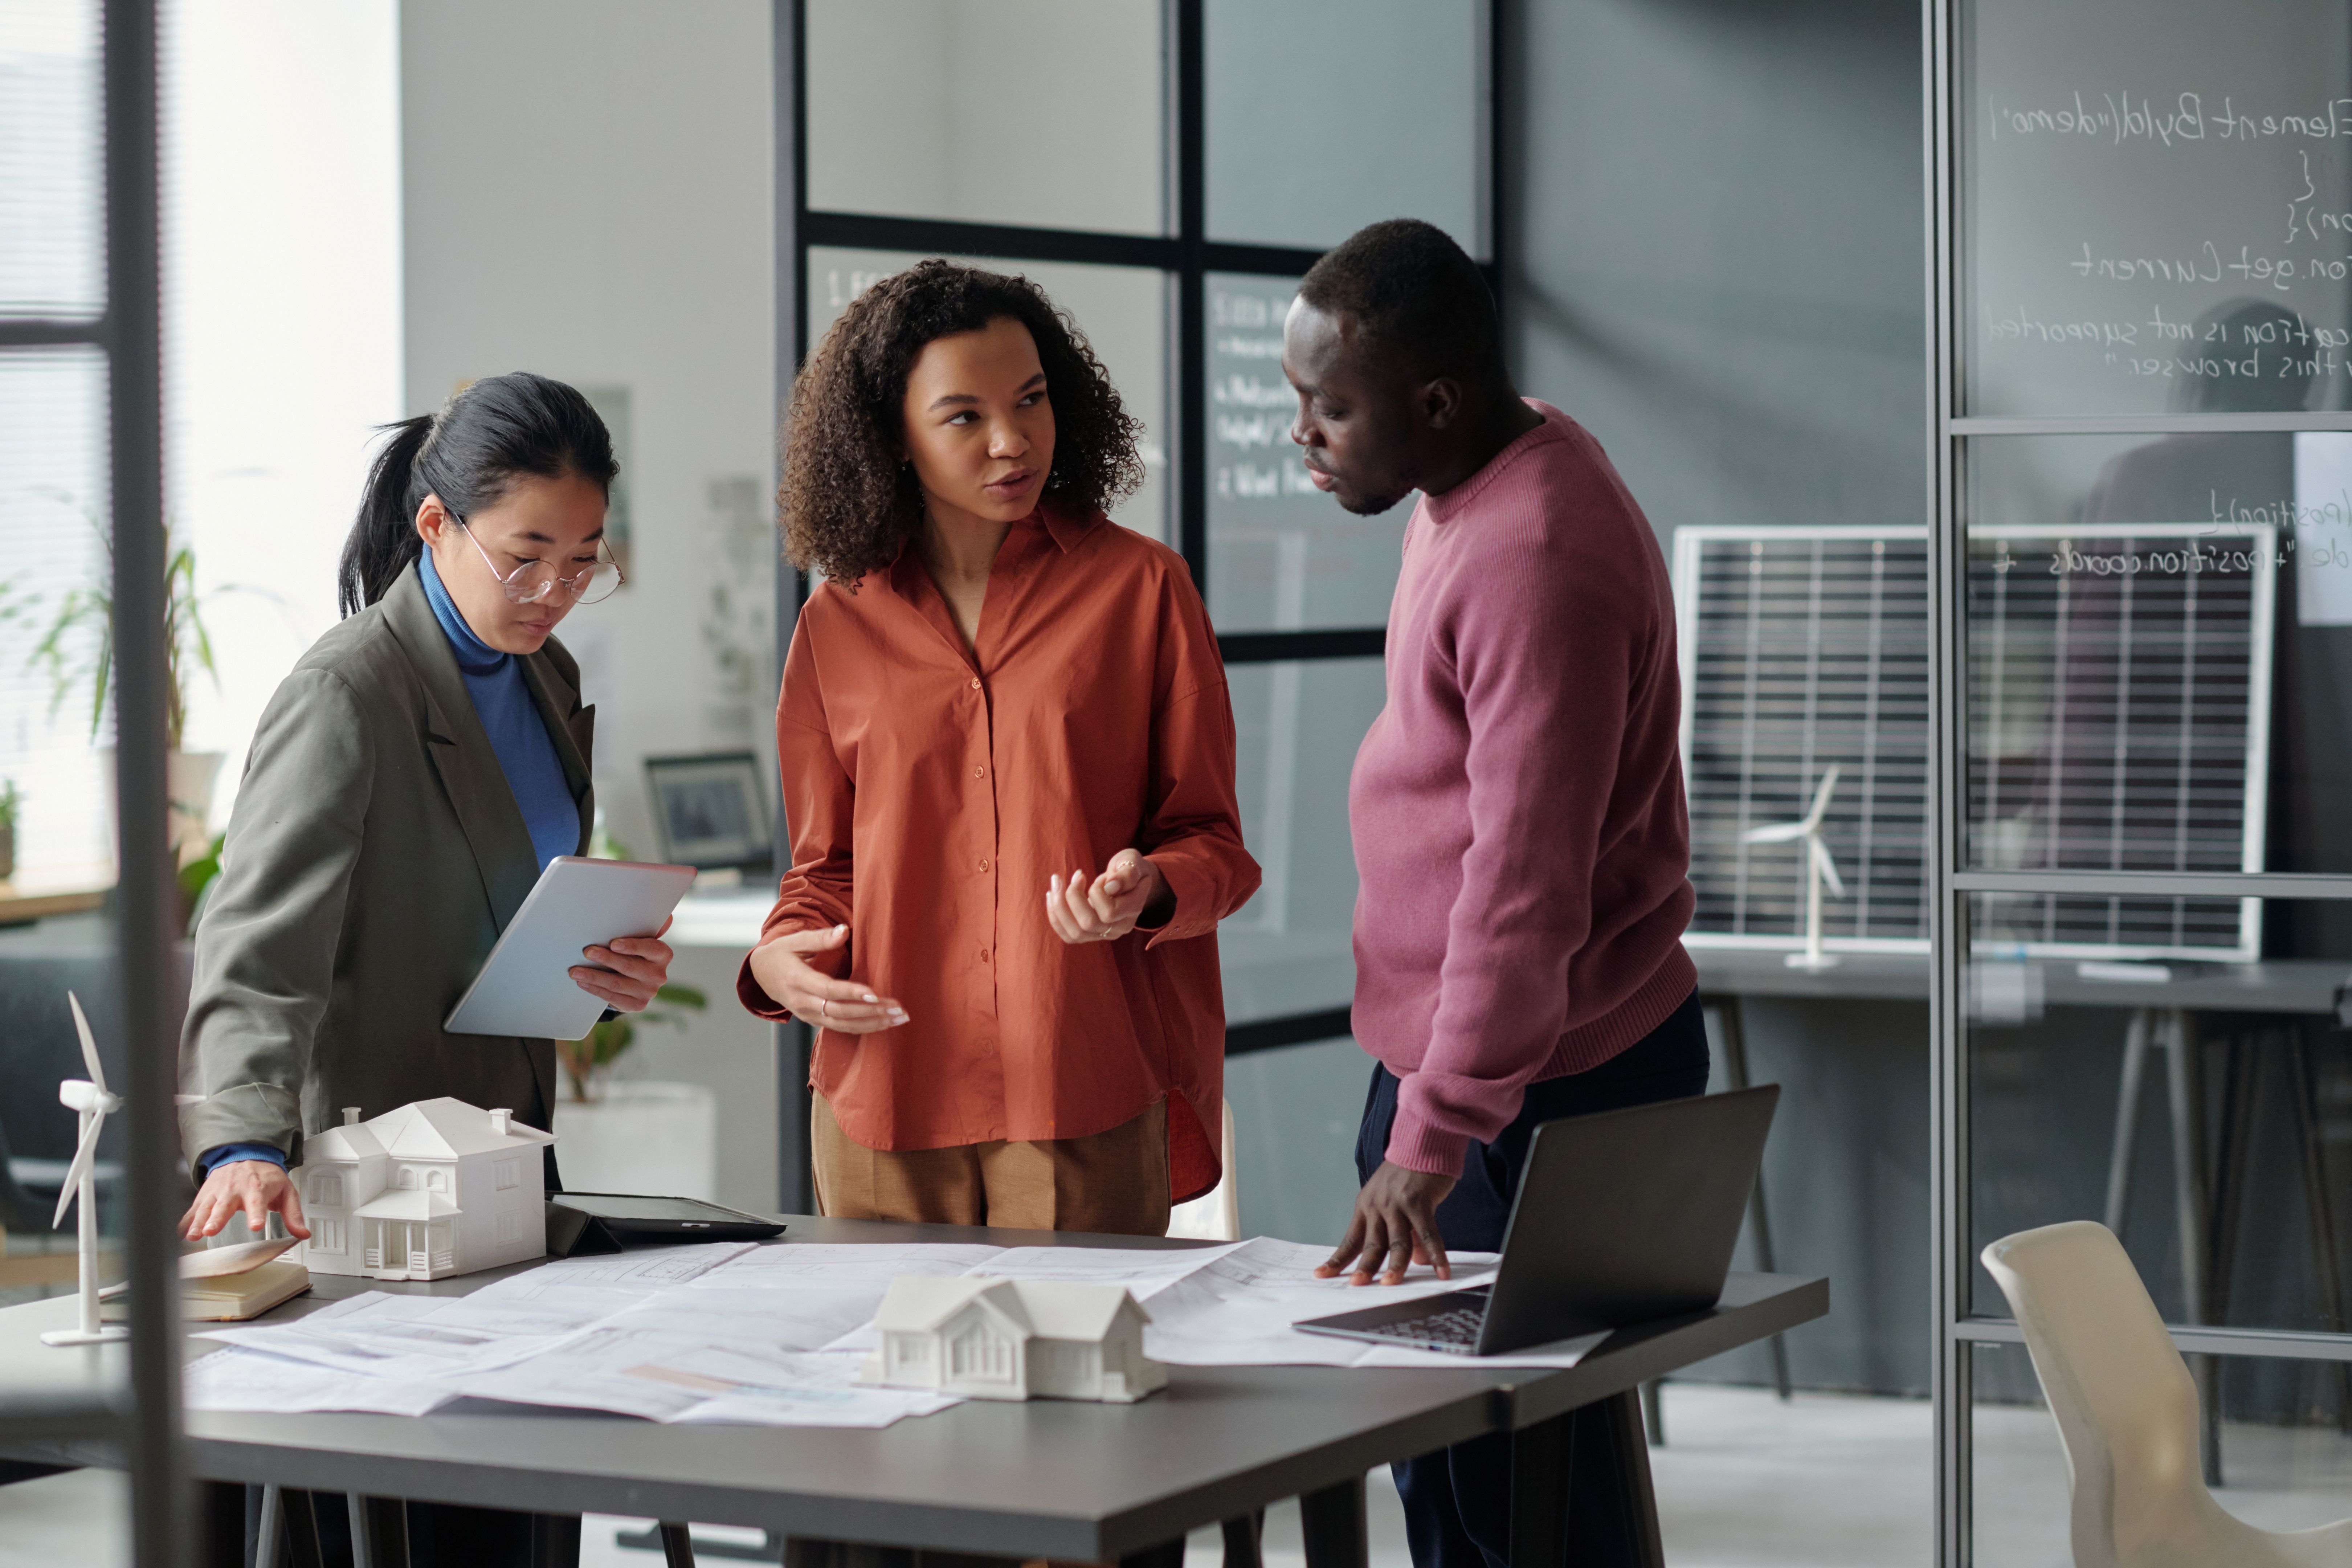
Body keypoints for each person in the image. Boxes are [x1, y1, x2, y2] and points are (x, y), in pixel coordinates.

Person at [177, 373, 673, 1563]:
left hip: (506, 1161)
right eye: (526, 556)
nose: (554, 590)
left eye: (584, 560)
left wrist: (598, 967)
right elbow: (256, 945)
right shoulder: (347, 690)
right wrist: (241, 1141)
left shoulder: (547, 678)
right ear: (436, 524)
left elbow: (490, 898)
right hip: (372, 1176)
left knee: (516, 1511)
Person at [1287, 220, 1706, 1568]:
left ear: (1436, 403)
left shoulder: (1534, 554)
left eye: (1329, 407)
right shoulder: (1497, 465)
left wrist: (1434, 1132)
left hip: (1532, 1087)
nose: (1304, 433)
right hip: (1487, 1068)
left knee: (1516, 1509)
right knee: (1486, 1489)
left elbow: (1524, 888)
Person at [740, 259, 1260, 1235]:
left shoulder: (1144, 591)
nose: (1013, 440)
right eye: (964, 417)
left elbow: (1216, 847)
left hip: (1082, 1079)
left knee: (1077, 1343)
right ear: (892, 436)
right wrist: (777, 962)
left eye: (1030, 400)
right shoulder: (834, 625)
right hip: (885, 1092)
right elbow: (826, 871)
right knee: (885, 1343)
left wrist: (1147, 885)